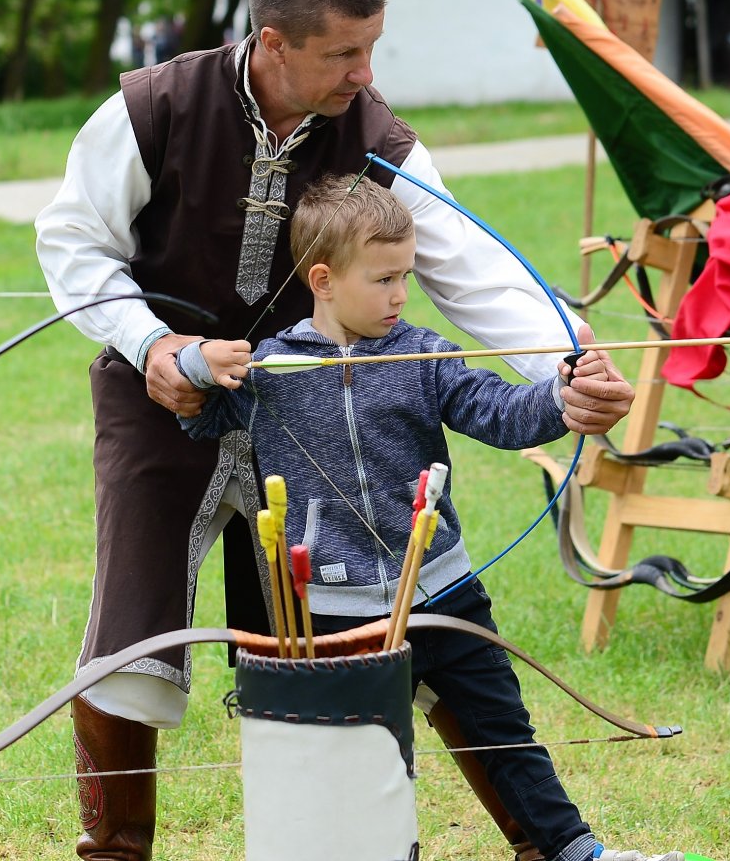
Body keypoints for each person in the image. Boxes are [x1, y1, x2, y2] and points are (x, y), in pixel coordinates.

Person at [34, 0, 636, 860]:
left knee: (368, 630)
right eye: (344, 53)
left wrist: (569, 363)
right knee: (131, 634)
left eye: (373, 46)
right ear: (274, 44)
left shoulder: (378, 137)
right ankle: (115, 854)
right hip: (166, 398)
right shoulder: (153, 107)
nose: (366, 72)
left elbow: (469, 265)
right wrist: (154, 345)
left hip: (321, 405)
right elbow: (74, 243)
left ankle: (531, 843)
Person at [180, 176, 682, 861]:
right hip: (335, 610)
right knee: (360, 759)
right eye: (383, 279)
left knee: (504, 732)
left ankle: (573, 851)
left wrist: (563, 394)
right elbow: (196, 412)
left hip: (445, 591)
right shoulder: (269, 371)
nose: (400, 295)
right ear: (323, 280)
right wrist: (196, 362)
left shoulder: (423, 355)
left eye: (406, 277)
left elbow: (502, 413)